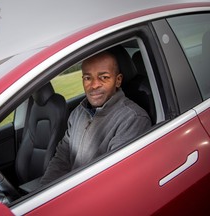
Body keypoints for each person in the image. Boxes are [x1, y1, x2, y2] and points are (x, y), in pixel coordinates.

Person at [40, 50, 151, 185]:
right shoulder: (77, 113)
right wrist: (45, 189)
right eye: (88, 78)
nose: (94, 85)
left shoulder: (133, 119)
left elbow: (114, 180)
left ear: (118, 80)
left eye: (103, 77)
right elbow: (61, 158)